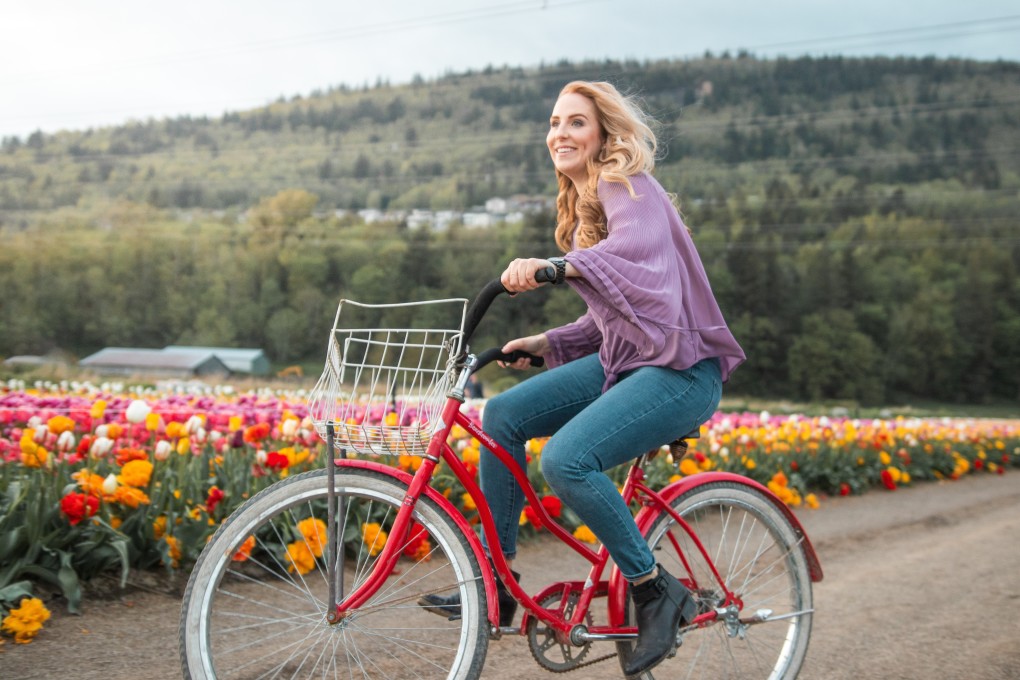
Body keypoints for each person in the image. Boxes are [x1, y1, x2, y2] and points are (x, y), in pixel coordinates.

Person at [423, 80, 746, 676]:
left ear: (603, 135)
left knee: (567, 460)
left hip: (679, 368)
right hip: (628, 361)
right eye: (554, 123)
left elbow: (638, 250)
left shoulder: (629, 187)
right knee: (502, 416)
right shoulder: (583, 215)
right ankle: (496, 581)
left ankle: (654, 589)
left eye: (576, 122)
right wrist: (552, 342)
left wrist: (556, 267)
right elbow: (613, 316)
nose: (560, 134)